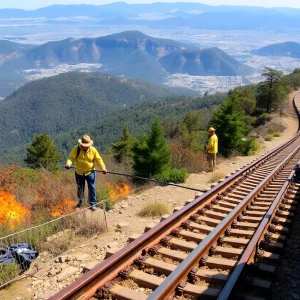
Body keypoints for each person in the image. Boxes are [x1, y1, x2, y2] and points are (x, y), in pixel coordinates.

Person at [65, 135, 107, 211]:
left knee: (92, 187)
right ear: (81, 144)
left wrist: (103, 168)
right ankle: (80, 203)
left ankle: (92, 204)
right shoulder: (76, 149)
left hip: (90, 172)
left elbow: (99, 159)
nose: (86, 147)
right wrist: (68, 164)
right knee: (80, 188)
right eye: (85, 145)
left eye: (87, 145)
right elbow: (71, 157)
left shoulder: (93, 150)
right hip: (79, 173)